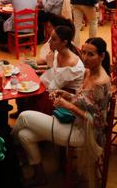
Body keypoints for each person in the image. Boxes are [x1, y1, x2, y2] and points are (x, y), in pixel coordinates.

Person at [12, 37, 111, 186]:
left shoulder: (101, 83)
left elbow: (98, 121)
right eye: (83, 53)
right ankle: (40, 175)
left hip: (85, 133)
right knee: (24, 135)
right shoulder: (88, 73)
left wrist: (68, 106)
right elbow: (83, 101)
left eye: (90, 54)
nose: (84, 58)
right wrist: (66, 95)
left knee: (24, 116)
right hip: (73, 122)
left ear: (102, 56)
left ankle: (9, 150)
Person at [40, 26, 85, 93]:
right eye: (50, 38)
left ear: (64, 42)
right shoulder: (57, 52)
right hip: (57, 88)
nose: (49, 42)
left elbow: (52, 88)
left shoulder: (72, 64)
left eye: (54, 39)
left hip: (66, 96)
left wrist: (49, 66)